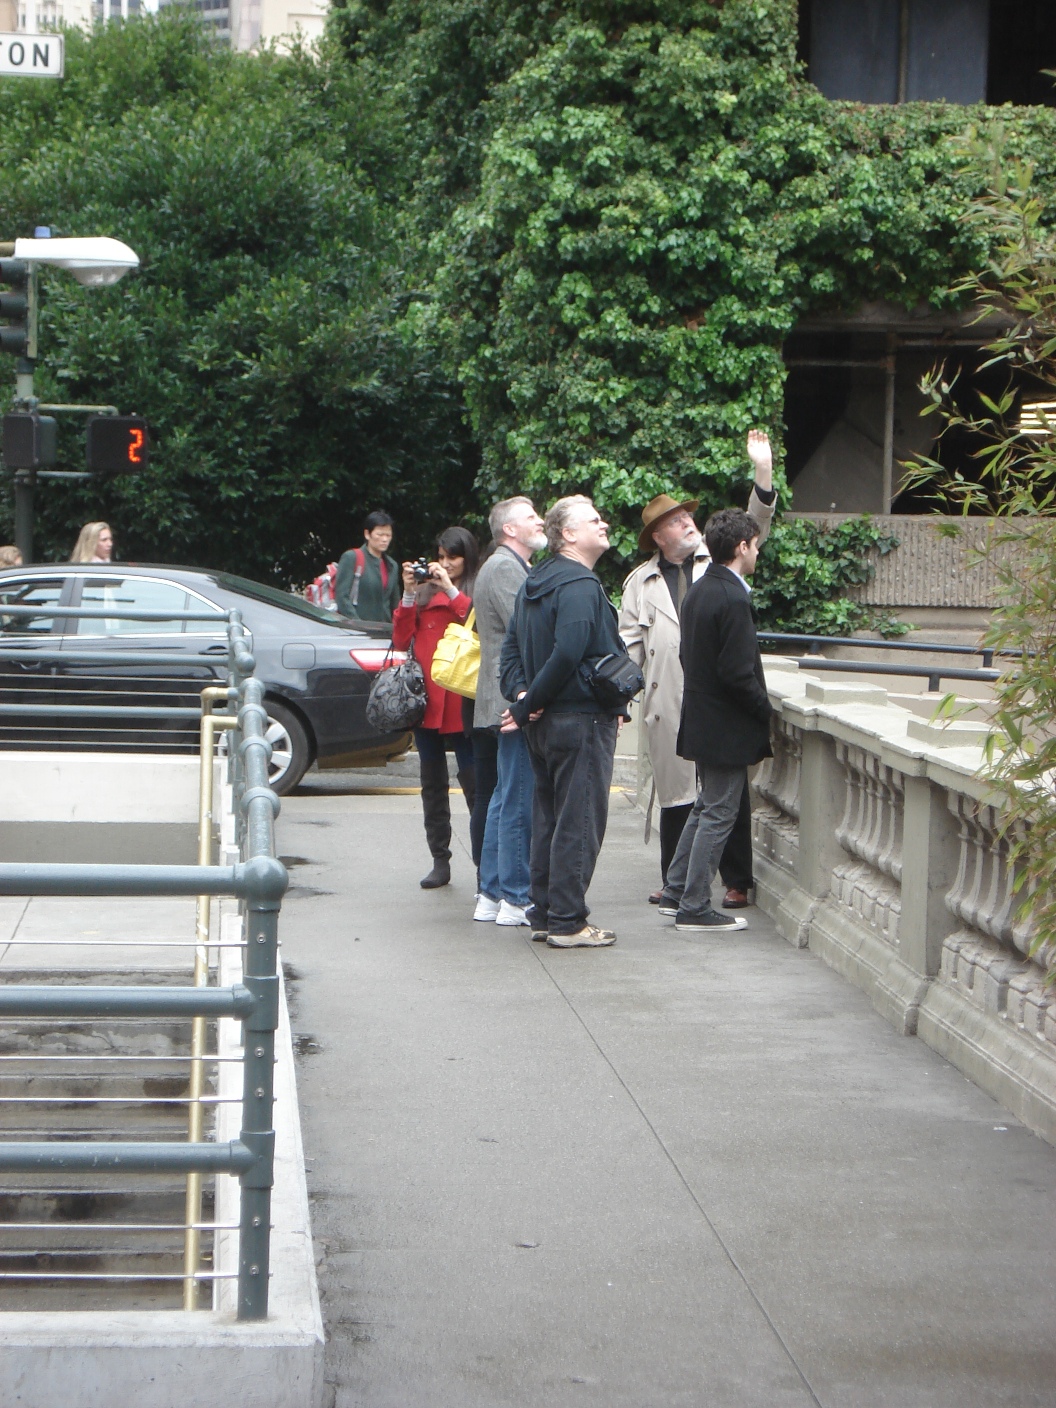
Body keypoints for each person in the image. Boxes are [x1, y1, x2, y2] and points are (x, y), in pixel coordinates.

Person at [619, 430, 775, 909]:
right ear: (658, 536)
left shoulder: (717, 564)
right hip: (671, 703)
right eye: (676, 521)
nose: (687, 522)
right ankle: (684, 891)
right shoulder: (641, 582)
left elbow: (753, 526)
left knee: (719, 800)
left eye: (688, 517)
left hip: (709, 700)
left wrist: (763, 470)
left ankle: (728, 882)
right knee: (685, 799)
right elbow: (629, 647)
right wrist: (618, 700)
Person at [499, 495, 629, 949]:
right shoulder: (579, 584)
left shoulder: (535, 581)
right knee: (579, 820)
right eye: (594, 520)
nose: (604, 524)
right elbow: (570, 651)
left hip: (544, 725)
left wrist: (524, 697)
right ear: (568, 534)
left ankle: (544, 913)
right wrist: (528, 702)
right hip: (580, 721)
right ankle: (568, 922)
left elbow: (510, 650)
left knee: (549, 819)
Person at [658, 507, 772, 932]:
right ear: (742, 547)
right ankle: (693, 905)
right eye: (755, 545)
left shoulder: (699, 590)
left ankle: (675, 892)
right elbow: (739, 673)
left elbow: (690, 657)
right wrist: (765, 710)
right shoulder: (732, 597)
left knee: (705, 806)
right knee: (719, 811)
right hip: (725, 726)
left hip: (702, 718)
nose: (757, 552)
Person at [471, 496, 547, 928]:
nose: (541, 521)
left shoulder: (505, 565)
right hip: (512, 701)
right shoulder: (504, 568)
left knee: (504, 798)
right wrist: (528, 699)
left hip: (505, 699)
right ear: (509, 529)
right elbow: (529, 632)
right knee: (516, 799)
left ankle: (493, 893)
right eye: (531, 517)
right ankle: (515, 898)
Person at [392, 527, 479, 889]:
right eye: (440, 557)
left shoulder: (473, 589)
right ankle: (439, 859)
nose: (445, 564)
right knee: (432, 784)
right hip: (426, 699)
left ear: (467, 558)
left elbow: (479, 620)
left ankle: (486, 865)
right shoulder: (425, 593)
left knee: (476, 785)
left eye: (452, 557)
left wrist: (450, 589)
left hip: (462, 697)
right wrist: (409, 593)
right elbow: (400, 639)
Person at [335, 511, 401, 622]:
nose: (385, 539)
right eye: (380, 535)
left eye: (388, 535)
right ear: (367, 534)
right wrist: (358, 624)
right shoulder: (352, 557)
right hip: (356, 628)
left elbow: (395, 603)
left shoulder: (392, 565)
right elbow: (342, 597)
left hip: (384, 628)